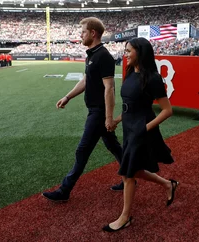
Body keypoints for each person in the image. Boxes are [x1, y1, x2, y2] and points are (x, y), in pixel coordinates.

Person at [42, 17, 123, 202]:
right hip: (95, 110)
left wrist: (108, 117)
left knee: (82, 150)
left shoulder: (103, 56)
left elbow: (109, 88)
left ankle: (64, 190)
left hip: (99, 112)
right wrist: (67, 96)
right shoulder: (92, 54)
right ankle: (130, 177)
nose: (81, 35)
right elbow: (86, 80)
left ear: (93, 33)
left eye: (83, 32)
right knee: (114, 146)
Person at [102, 37, 178, 232]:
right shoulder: (130, 72)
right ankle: (168, 184)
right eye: (125, 50)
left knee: (128, 174)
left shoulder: (152, 78)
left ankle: (125, 217)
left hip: (141, 130)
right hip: (129, 127)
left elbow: (167, 111)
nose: (125, 53)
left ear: (140, 52)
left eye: (128, 50)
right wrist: (118, 120)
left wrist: (145, 128)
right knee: (134, 170)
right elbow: (131, 105)